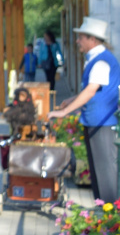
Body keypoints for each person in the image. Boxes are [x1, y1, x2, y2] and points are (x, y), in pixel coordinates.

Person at [48, 16, 120, 204]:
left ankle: (110, 213)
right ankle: (102, 210)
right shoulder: (96, 59)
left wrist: (64, 112)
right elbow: (92, 90)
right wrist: (71, 100)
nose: (77, 41)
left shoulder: (101, 61)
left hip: (102, 123)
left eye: (81, 37)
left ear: (92, 39)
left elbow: (90, 91)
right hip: (96, 121)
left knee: (105, 171)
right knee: (98, 170)